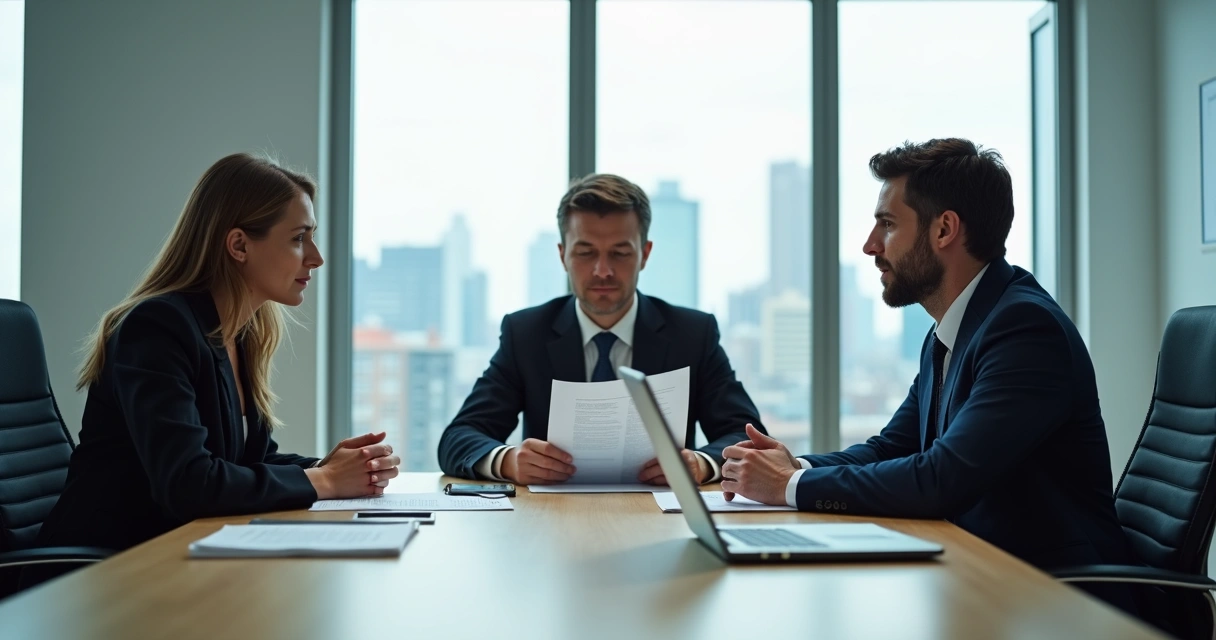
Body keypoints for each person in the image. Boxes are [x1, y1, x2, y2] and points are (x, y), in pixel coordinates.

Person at [720, 139, 1133, 603]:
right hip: (983, 580)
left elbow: (941, 479)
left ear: (944, 230)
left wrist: (790, 485)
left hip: (1060, 597)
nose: (870, 245)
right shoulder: (952, 329)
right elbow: (890, 448)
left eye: (888, 225)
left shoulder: (1024, 330)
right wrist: (796, 466)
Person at [34, 153, 401, 556]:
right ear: (239, 245)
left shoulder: (240, 333)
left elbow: (248, 460)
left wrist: (329, 467)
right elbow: (190, 484)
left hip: (174, 556)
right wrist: (326, 480)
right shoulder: (156, 328)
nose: (316, 257)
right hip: (101, 572)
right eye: (298, 238)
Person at [437, 173, 764, 486]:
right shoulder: (526, 334)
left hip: (662, 517)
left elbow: (747, 436)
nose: (603, 271)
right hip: (551, 519)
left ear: (645, 255)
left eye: (620, 253)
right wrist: (507, 461)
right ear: (563, 255)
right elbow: (458, 438)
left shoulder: (692, 334)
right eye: (585, 252)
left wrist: (700, 464)